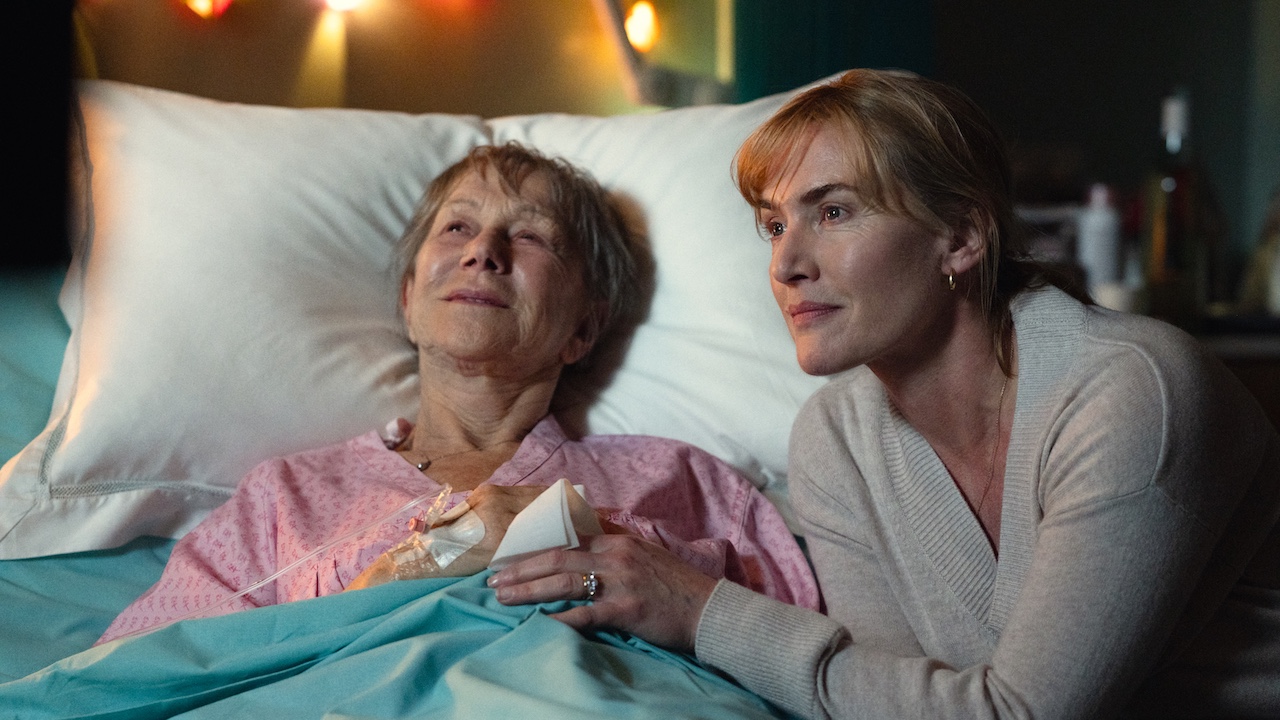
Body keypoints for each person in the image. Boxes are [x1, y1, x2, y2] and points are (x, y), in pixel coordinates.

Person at [489, 70, 1280, 718]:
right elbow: (888, 701)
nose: (787, 263)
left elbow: (1017, 716)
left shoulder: (1130, 393)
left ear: (962, 238)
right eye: (773, 226)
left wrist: (703, 611)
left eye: (834, 211)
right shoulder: (835, 439)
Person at [97, 143, 819, 644]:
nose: (484, 251)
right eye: (458, 227)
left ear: (582, 330)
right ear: (410, 301)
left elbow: (811, 670)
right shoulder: (288, 498)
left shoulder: (684, 483)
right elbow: (138, 670)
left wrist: (627, 557)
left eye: (531, 237)